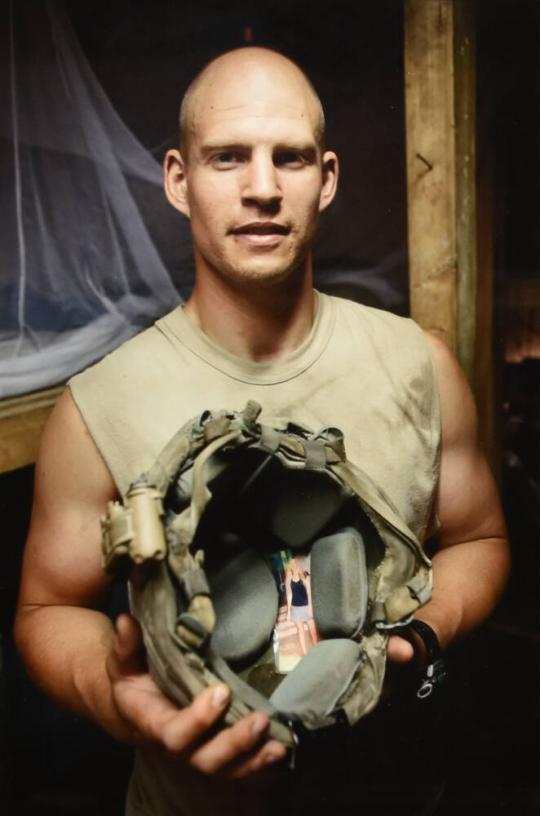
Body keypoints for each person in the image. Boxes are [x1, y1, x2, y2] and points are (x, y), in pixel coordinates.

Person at [14, 46, 509, 816]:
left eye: (292, 158)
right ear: (178, 180)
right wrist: (117, 699)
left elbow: (480, 540)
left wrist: (423, 634)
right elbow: (45, 610)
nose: (263, 189)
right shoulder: (97, 404)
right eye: (228, 158)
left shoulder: (420, 365)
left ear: (328, 179)